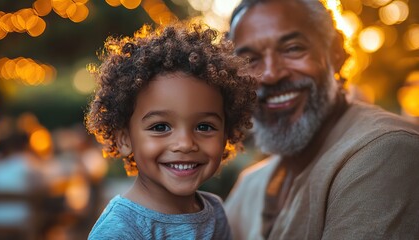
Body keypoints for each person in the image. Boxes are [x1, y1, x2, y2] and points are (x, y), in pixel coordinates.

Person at [223, 0, 419, 239]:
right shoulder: (252, 184)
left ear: (335, 52)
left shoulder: (386, 151)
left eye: (293, 48)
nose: (271, 74)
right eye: (250, 60)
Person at [84, 21, 256, 239]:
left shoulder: (215, 212)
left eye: (204, 126)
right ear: (125, 139)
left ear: (226, 136)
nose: (185, 143)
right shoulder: (120, 230)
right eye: (160, 127)